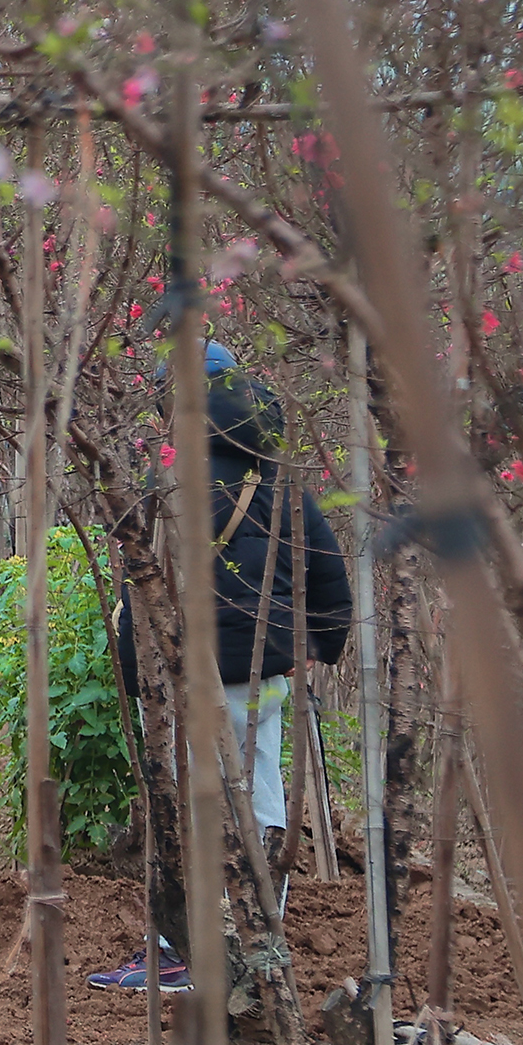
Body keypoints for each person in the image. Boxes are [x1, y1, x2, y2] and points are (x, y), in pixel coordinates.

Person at [90, 341, 353, 992]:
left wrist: (135, 677)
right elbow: (330, 579)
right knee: (260, 801)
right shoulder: (278, 481)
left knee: (186, 809)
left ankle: (183, 952)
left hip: (184, 681)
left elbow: (139, 597)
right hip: (262, 678)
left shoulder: (169, 488)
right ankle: (259, 940)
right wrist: (320, 646)